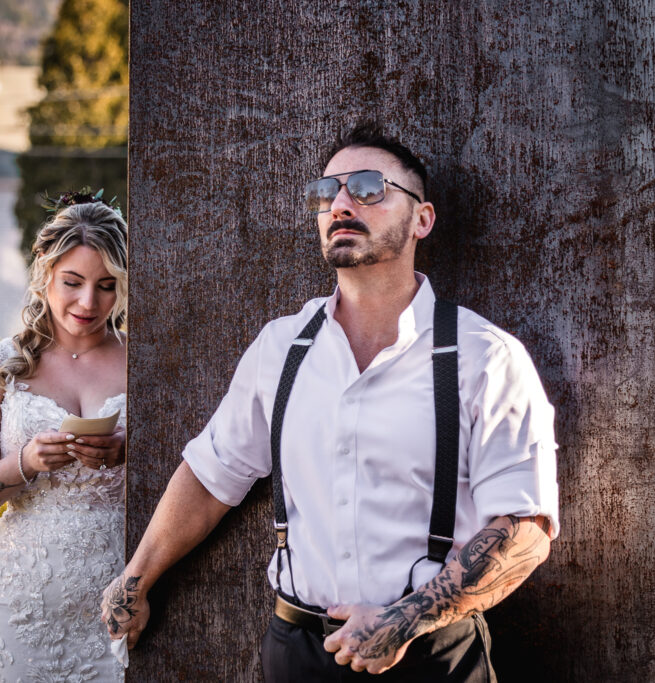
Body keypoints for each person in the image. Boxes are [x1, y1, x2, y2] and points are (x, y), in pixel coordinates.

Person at [101, 122, 559, 681]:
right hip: (296, 653)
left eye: (368, 188)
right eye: (327, 192)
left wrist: (403, 620)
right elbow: (211, 474)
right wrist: (137, 580)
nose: (341, 203)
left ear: (422, 218)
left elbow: (525, 528)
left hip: (430, 655)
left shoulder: (484, 356)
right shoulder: (281, 348)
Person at [0, 194, 128, 682]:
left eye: (106, 286)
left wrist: (130, 451)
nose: (88, 303)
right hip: (20, 613)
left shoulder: (145, 363)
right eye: (73, 282)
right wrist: (23, 463)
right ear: (45, 273)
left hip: (121, 609)